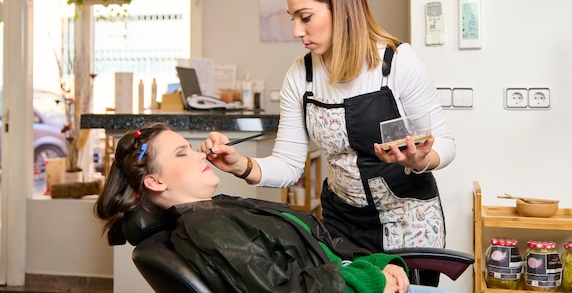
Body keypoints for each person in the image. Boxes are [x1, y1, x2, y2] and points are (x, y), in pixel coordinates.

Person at [201, 0, 456, 286]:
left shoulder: (397, 63)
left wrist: (422, 159)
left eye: (305, 17)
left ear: (343, 7)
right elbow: (290, 165)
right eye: (292, 17)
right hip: (342, 224)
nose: (296, 30)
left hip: (408, 223)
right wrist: (242, 166)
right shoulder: (301, 76)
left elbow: (446, 145)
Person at [94, 123, 458, 293]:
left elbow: (316, 244)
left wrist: (378, 264)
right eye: (181, 153)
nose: (199, 152)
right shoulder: (203, 228)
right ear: (155, 182)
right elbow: (278, 290)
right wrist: (366, 279)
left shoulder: (217, 208)